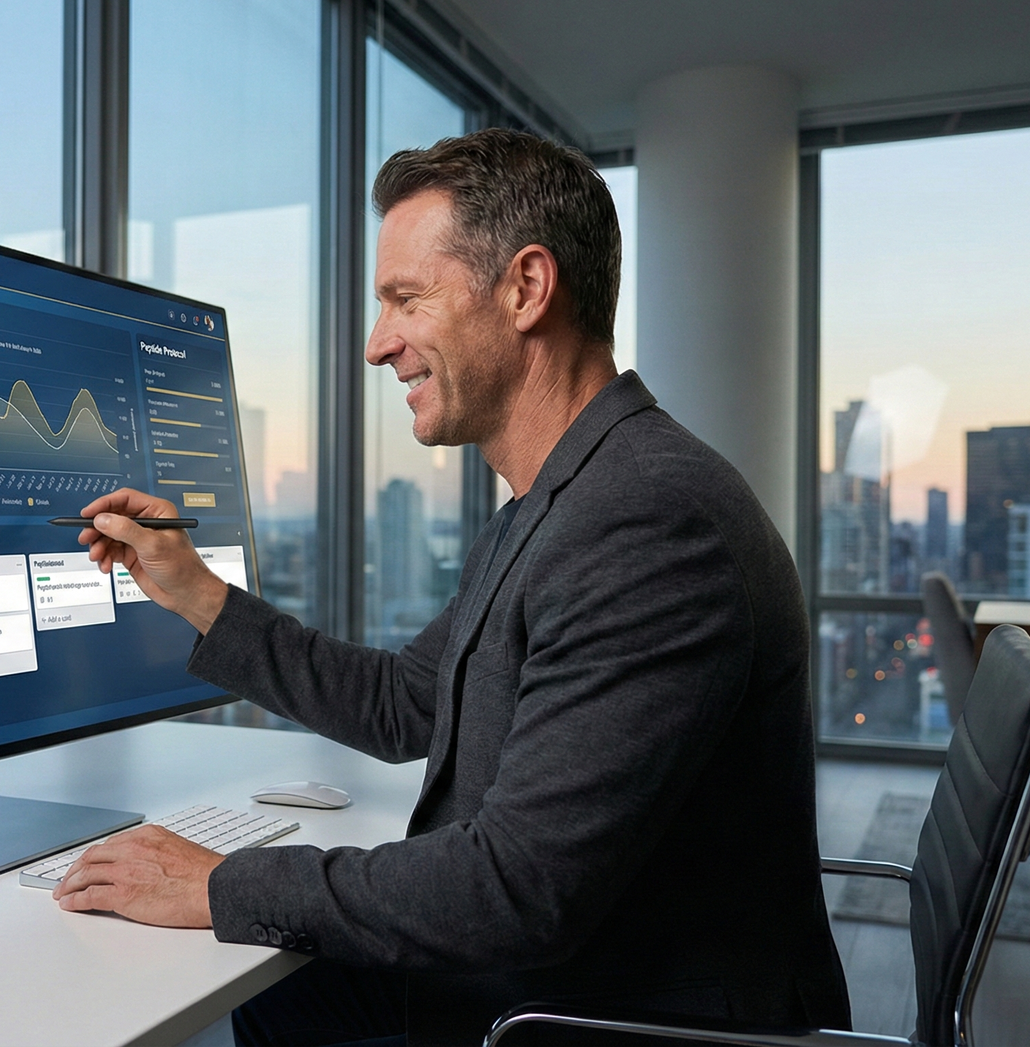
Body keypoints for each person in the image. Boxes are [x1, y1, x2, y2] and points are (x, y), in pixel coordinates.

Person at [53, 128, 850, 1046]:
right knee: (274, 993)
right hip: (555, 979)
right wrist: (195, 591)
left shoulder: (645, 521)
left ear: (526, 288)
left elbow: (517, 889)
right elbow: (409, 702)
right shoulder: (556, 498)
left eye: (405, 299)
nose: (376, 344)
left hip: (610, 1015)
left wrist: (216, 882)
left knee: (249, 977)